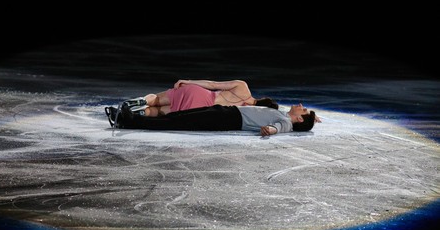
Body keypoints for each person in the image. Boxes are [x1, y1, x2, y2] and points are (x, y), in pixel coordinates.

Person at [110, 102, 318, 136]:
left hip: (228, 119)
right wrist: (314, 119)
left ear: (299, 119)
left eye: (303, 109)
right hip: (226, 111)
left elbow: (276, 128)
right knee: (179, 115)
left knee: (177, 122)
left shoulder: (287, 122)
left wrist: (269, 131)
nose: (301, 106)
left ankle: (128, 121)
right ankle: (130, 118)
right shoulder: (285, 114)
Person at [122, 79, 278, 117]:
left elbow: (212, 84)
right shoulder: (248, 113)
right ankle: (139, 114)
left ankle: (141, 102)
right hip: (200, 107)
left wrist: (188, 81)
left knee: (156, 99)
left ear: (263, 98)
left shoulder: (242, 86)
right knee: (161, 111)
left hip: (201, 94)